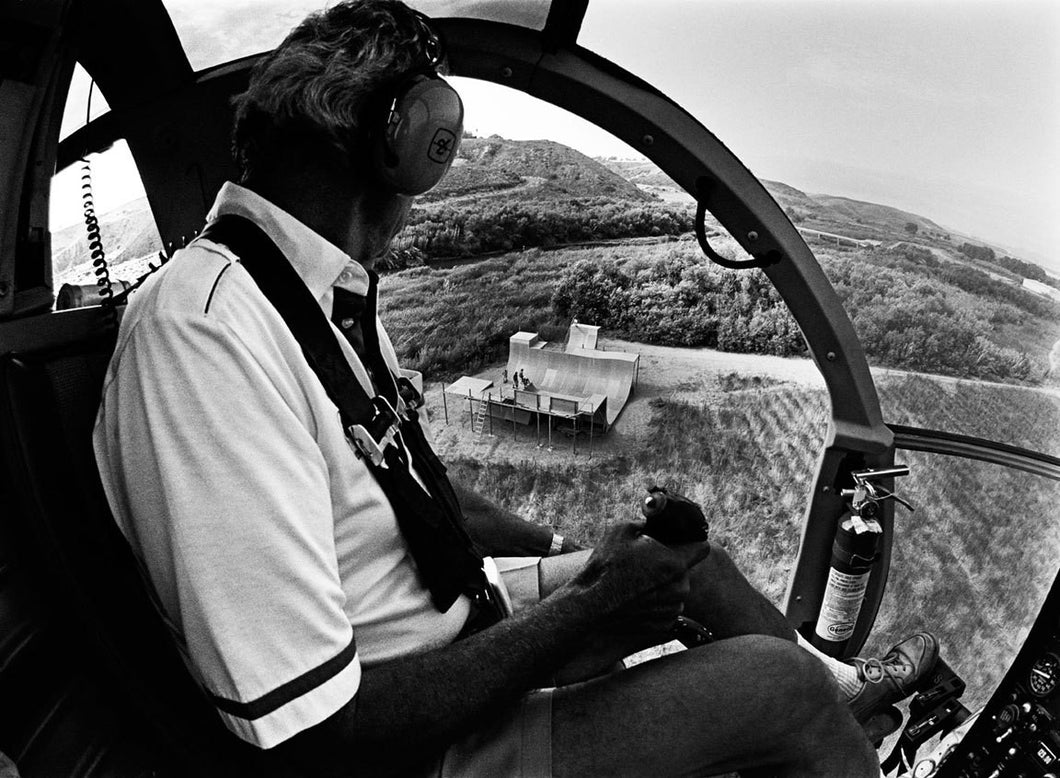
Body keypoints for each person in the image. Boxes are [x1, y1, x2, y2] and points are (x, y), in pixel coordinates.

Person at [93, 2, 937, 776]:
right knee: (775, 685)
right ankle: (825, 718)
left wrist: (578, 554)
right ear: (399, 139)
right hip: (415, 744)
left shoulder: (318, 299)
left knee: (689, 565)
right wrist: (583, 611)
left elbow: (417, 491)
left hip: (459, 627)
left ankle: (846, 695)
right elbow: (318, 729)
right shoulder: (202, 335)